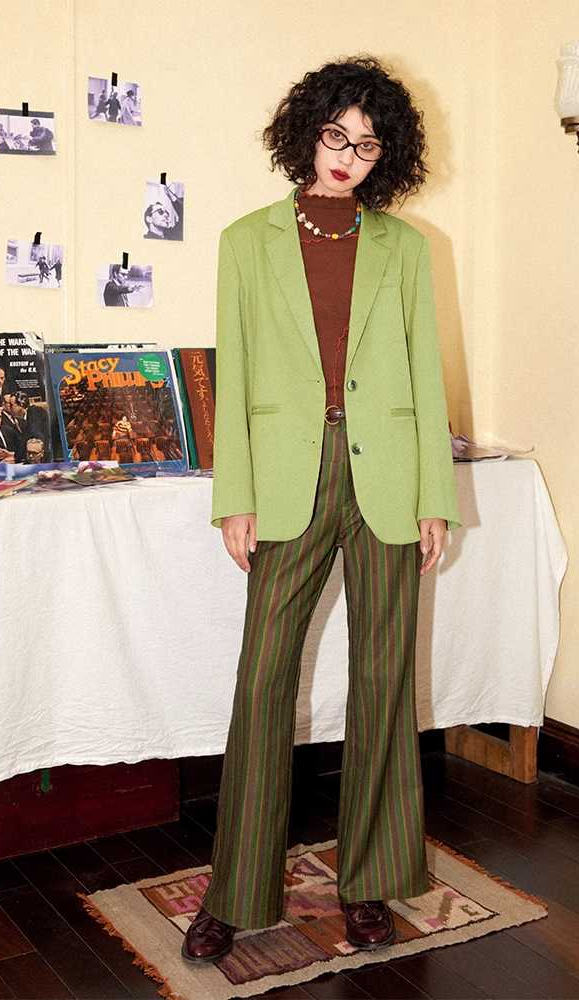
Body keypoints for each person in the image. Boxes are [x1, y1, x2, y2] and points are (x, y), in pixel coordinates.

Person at [182, 55, 461, 966]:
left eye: (368, 146)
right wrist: (235, 498)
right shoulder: (245, 241)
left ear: (388, 157)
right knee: (264, 676)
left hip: (387, 478)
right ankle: (235, 891)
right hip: (286, 478)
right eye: (336, 136)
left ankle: (370, 883)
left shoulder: (406, 248)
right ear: (307, 133)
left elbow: (424, 376)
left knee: (384, 677)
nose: (347, 156)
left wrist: (433, 498)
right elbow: (234, 375)